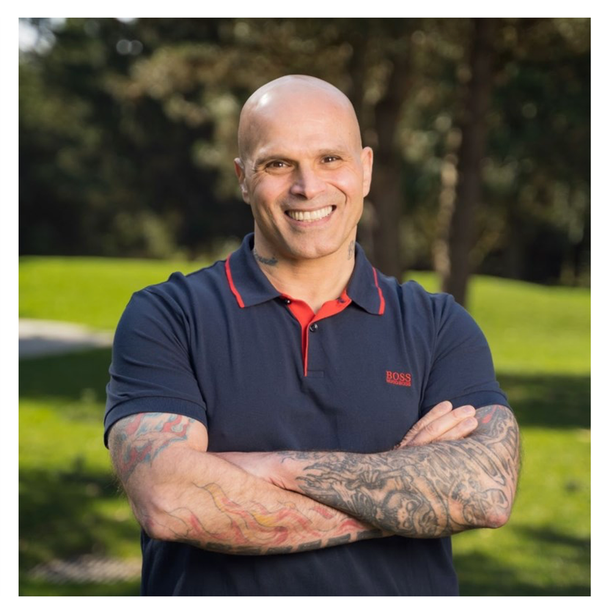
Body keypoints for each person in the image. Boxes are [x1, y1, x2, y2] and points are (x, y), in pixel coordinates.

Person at [105, 75, 519, 596]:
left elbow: (486, 491)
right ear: (242, 178)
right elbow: (170, 501)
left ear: (365, 169)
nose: (308, 186)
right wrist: (405, 493)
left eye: (330, 159)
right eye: (278, 164)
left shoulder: (438, 325)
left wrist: (272, 467)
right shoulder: (167, 316)